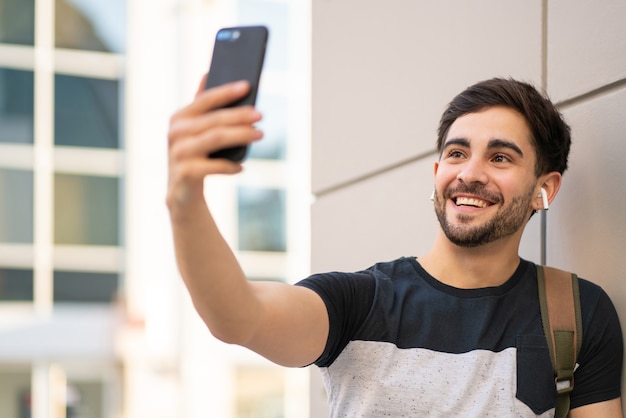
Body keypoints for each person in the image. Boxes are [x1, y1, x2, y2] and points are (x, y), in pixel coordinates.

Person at [167, 77, 623, 417]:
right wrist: (185, 200)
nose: (470, 173)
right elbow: (236, 315)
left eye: (500, 157)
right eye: (457, 153)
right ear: (437, 171)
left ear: (546, 187)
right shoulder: (360, 303)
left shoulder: (577, 314)